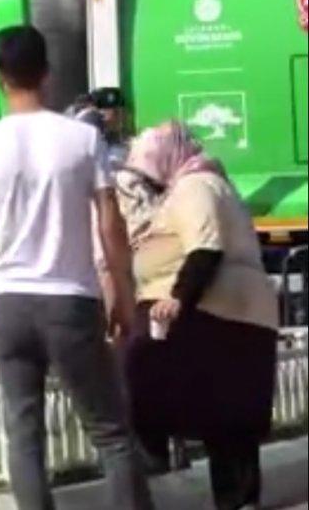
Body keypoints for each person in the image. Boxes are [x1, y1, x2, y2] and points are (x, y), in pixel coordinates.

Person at [0, 26, 154, 510]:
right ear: (48, 73)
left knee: (25, 436)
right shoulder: (82, 139)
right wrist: (121, 295)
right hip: (71, 301)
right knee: (110, 434)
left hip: (12, 303)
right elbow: (110, 223)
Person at [121, 122, 279, 510]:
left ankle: (155, 457)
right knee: (228, 425)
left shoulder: (197, 186)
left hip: (218, 315)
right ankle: (238, 501)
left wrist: (178, 298)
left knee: (141, 372)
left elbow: (204, 249)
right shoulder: (200, 184)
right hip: (234, 317)